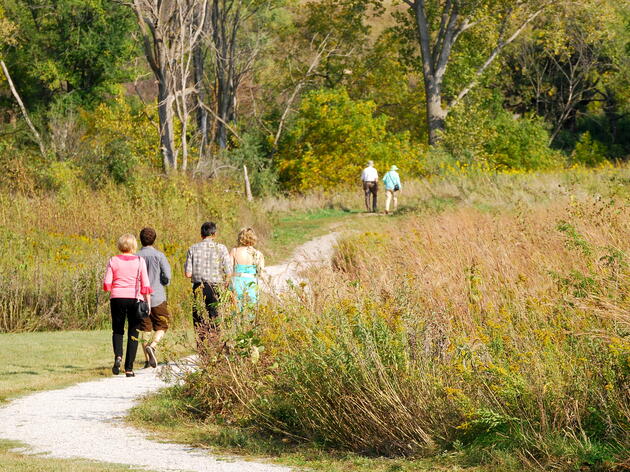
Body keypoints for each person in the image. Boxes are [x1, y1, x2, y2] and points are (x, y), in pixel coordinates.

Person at [103, 234, 152, 377]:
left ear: (120, 246)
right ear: (134, 246)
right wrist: (148, 303)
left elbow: (107, 284)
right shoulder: (139, 261)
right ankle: (129, 368)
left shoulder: (113, 260)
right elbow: (145, 283)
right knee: (133, 332)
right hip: (134, 298)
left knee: (117, 330)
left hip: (117, 298)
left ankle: (118, 355)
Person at [184, 222, 232, 339]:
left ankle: (202, 349)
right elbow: (228, 271)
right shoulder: (221, 248)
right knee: (215, 318)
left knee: (199, 319)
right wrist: (226, 284)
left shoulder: (192, 249)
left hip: (199, 287)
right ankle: (215, 347)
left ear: (201, 235)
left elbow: (188, 273)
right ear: (214, 234)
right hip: (216, 287)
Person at [137, 227, 172, 369]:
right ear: (154, 239)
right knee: (163, 325)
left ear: (140, 239)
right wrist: (164, 282)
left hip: (140, 298)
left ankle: (147, 360)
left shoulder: (136, 256)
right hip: (157, 296)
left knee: (145, 328)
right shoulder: (159, 256)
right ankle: (153, 345)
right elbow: (167, 276)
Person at [230, 227, 265, 312]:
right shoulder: (258, 254)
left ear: (240, 238)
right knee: (250, 310)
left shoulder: (234, 251)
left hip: (237, 283)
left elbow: (228, 270)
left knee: (236, 310)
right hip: (251, 284)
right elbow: (261, 273)